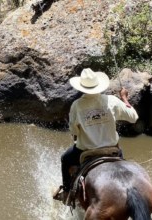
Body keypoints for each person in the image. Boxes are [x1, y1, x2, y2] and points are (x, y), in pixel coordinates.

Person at [54, 68, 138, 204]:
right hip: (113, 150)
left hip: (85, 151)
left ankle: (68, 193)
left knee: (65, 159)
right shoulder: (111, 100)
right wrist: (124, 98)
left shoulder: (77, 105)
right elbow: (133, 117)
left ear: (81, 87)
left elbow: (74, 132)